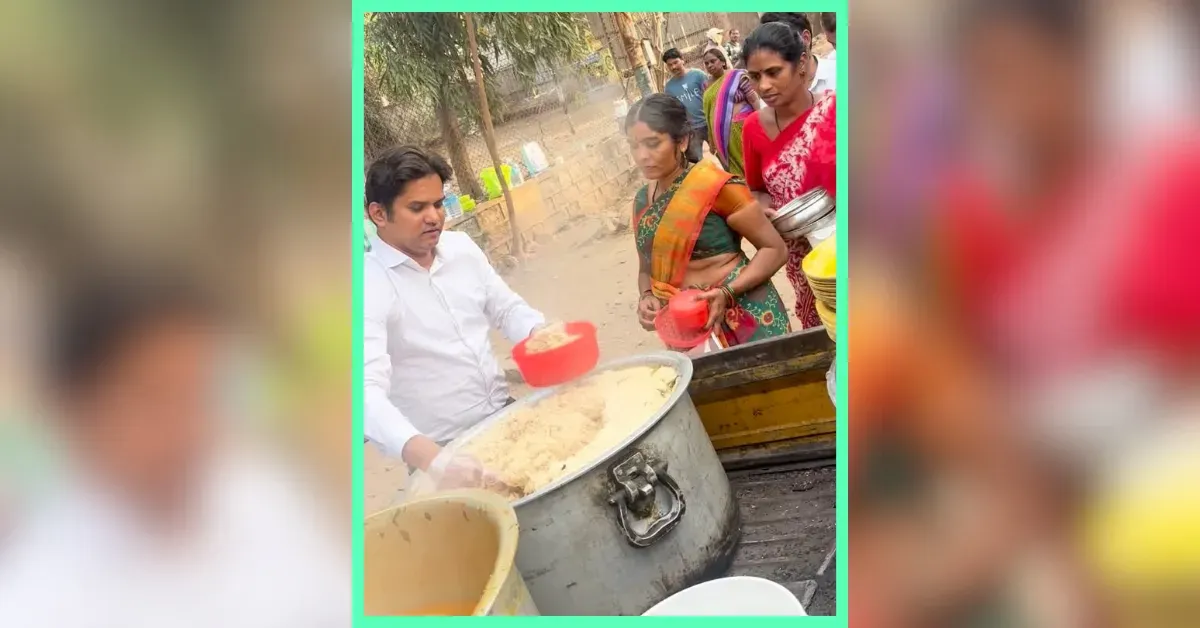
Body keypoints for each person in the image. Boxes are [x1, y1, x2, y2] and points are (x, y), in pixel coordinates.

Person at [0, 274, 347, 627]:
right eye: (156, 399)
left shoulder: (257, 493)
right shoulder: (36, 600)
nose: (193, 431)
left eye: (200, 394)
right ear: (76, 414)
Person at [363, 145, 547, 488]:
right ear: (378, 214)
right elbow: (364, 394)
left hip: (507, 418)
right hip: (444, 449)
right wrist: (434, 460)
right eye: (417, 208)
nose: (434, 216)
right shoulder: (366, 287)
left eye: (438, 203)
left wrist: (542, 334)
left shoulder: (461, 248)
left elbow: (505, 308)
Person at [626, 94, 790, 351]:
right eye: (634, 146)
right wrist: (646, 296)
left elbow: (775, 250)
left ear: (681, 141)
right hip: (688, 328)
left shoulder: (717, 186)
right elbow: (646, 269)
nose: (642, 155)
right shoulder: (641, 203)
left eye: (652, 143)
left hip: (745, 316)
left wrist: (727, 292)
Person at [741, 20, 838, 329]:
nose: (764, 86)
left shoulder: (837, 109)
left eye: (773, 72)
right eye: (755, 77)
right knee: (825, 329)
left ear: (800, 64)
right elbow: (756, 189)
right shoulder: (753, 129)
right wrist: (762, 209)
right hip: (804, 258)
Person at [701, 47, 760, 177]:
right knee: (735, 167)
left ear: (722, 61)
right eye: (706, 63)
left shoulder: (737, 76)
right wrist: (711, 141)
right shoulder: (706, 85)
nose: (710, 65)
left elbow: (753, 98)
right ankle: (746, 192)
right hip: (722, 137)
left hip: (743, 128)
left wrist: (763, 120)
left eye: (713, 61)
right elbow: (709, 113)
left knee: (751, 160)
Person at [759, 12, 837, 95]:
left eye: (783, 44)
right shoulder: (772, 94)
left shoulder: (840, 74)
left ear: (805, 39)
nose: (775, 55)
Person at [661, 48, 710, 164]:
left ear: (682, 60)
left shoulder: (698, 75)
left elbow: (711, 96)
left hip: (709, 123)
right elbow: (673, 111)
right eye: (669, 65)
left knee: (723, 154)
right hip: (691, 130)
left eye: (675, 62)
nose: (673, 67)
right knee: (698, 163)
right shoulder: (669, 88)